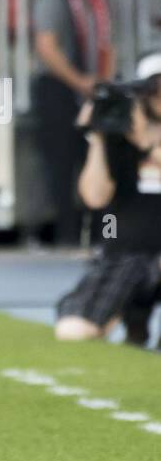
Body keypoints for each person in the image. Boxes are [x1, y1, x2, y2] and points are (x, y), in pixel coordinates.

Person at [54, 54, 161, 346]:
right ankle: (130, 314)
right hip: (125, 255)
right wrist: (98, 138)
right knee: (73, 330)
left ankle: (138, 321)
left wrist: (146, 146)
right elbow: (95, 197)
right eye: (154, 88)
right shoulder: (118, 137)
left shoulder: (139, 139)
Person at [32, 0, 116, 245]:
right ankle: (65, 235)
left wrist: (101, 82)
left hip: (90, 91)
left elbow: (107, 44)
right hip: (59, 91)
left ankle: (97, 235)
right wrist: (80, 81)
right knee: (61, 163)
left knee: (94, 158)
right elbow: (47, 48)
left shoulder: (94, 1)